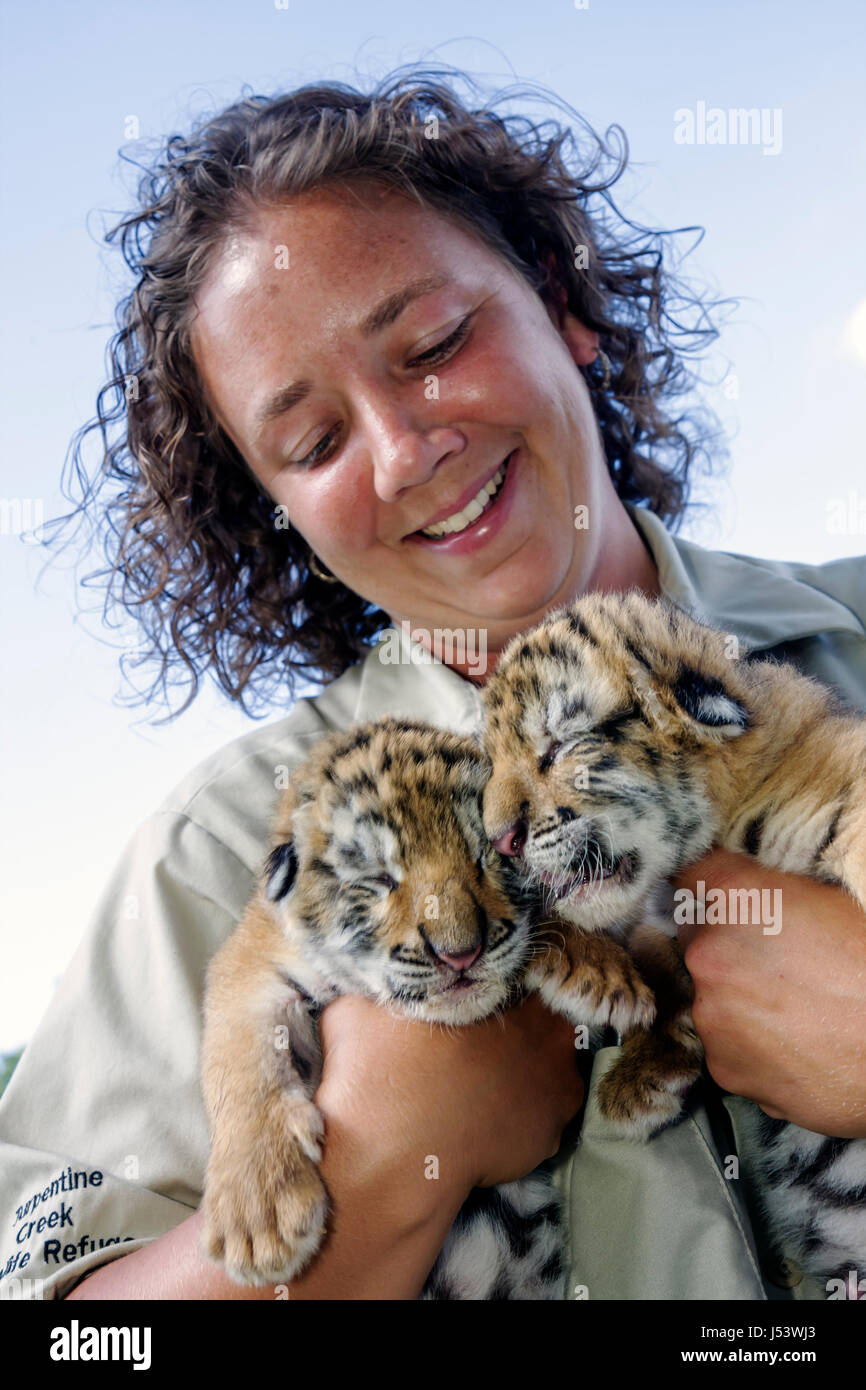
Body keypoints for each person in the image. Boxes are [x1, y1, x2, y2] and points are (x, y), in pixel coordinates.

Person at [2, 67, 864, 1302]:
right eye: (311, 443)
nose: (406, 454)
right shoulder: (217, 856)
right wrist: (393, 1148)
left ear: (560, 307)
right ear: (279, 510)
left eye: (434, 344)